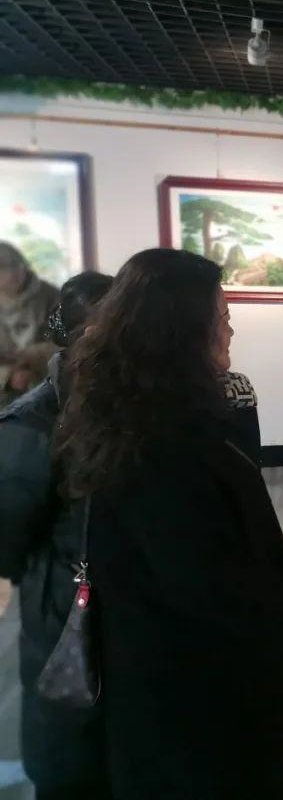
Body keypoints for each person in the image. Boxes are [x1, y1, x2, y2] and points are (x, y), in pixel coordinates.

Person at [54, 248, 283, 799]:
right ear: (181, 331)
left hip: (175, 687)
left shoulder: (133, 414)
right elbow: (204, 586)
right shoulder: (164, 443)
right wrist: (280, 601)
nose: (231, 330)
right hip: (199, 699)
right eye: (221, 317)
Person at [0, 270, 113, 800]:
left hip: (123, 633)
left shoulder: (131, 410)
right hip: (64, 622)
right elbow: (8, 546)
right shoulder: (33, 423)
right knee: (71, 769)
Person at [0, 242, 60, 407]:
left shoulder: (52, 297)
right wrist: (7, 377)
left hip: (45, 391)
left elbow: (69, 343)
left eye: (15, 264)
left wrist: (33, 358)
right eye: (3, 268)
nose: (12, 273)